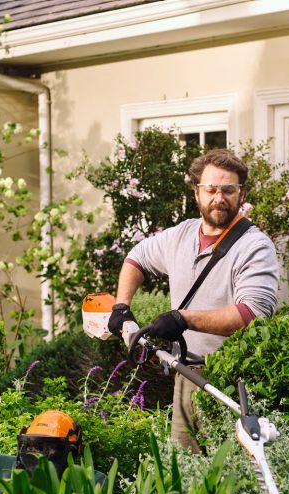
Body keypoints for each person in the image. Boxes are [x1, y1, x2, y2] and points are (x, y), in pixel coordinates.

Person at [108, 149, 280, 451]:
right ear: (196, 192)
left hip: (234, 382)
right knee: (186, 469)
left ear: (242, 194)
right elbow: (136, 259)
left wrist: (183, 319)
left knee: (232, 476)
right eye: (210, 189)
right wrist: (122, 307)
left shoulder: (255, 246)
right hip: (186, 375)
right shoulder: (181, 235)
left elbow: (252, 314)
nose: (219, 198)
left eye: (229, 190)